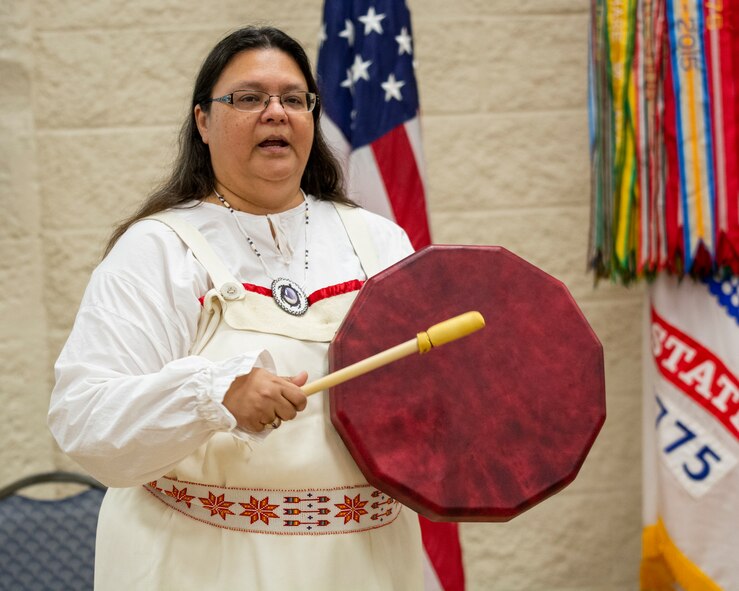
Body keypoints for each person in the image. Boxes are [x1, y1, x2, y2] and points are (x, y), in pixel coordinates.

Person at [48, 25, 424, 590]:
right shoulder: (159, 249)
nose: (275, 112)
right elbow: (86, 421)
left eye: (293, 99)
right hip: (202, 564)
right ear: (203, 120)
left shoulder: (381, 243)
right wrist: (214, 394)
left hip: (365, 566)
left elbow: (431, 401)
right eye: (248, 98)